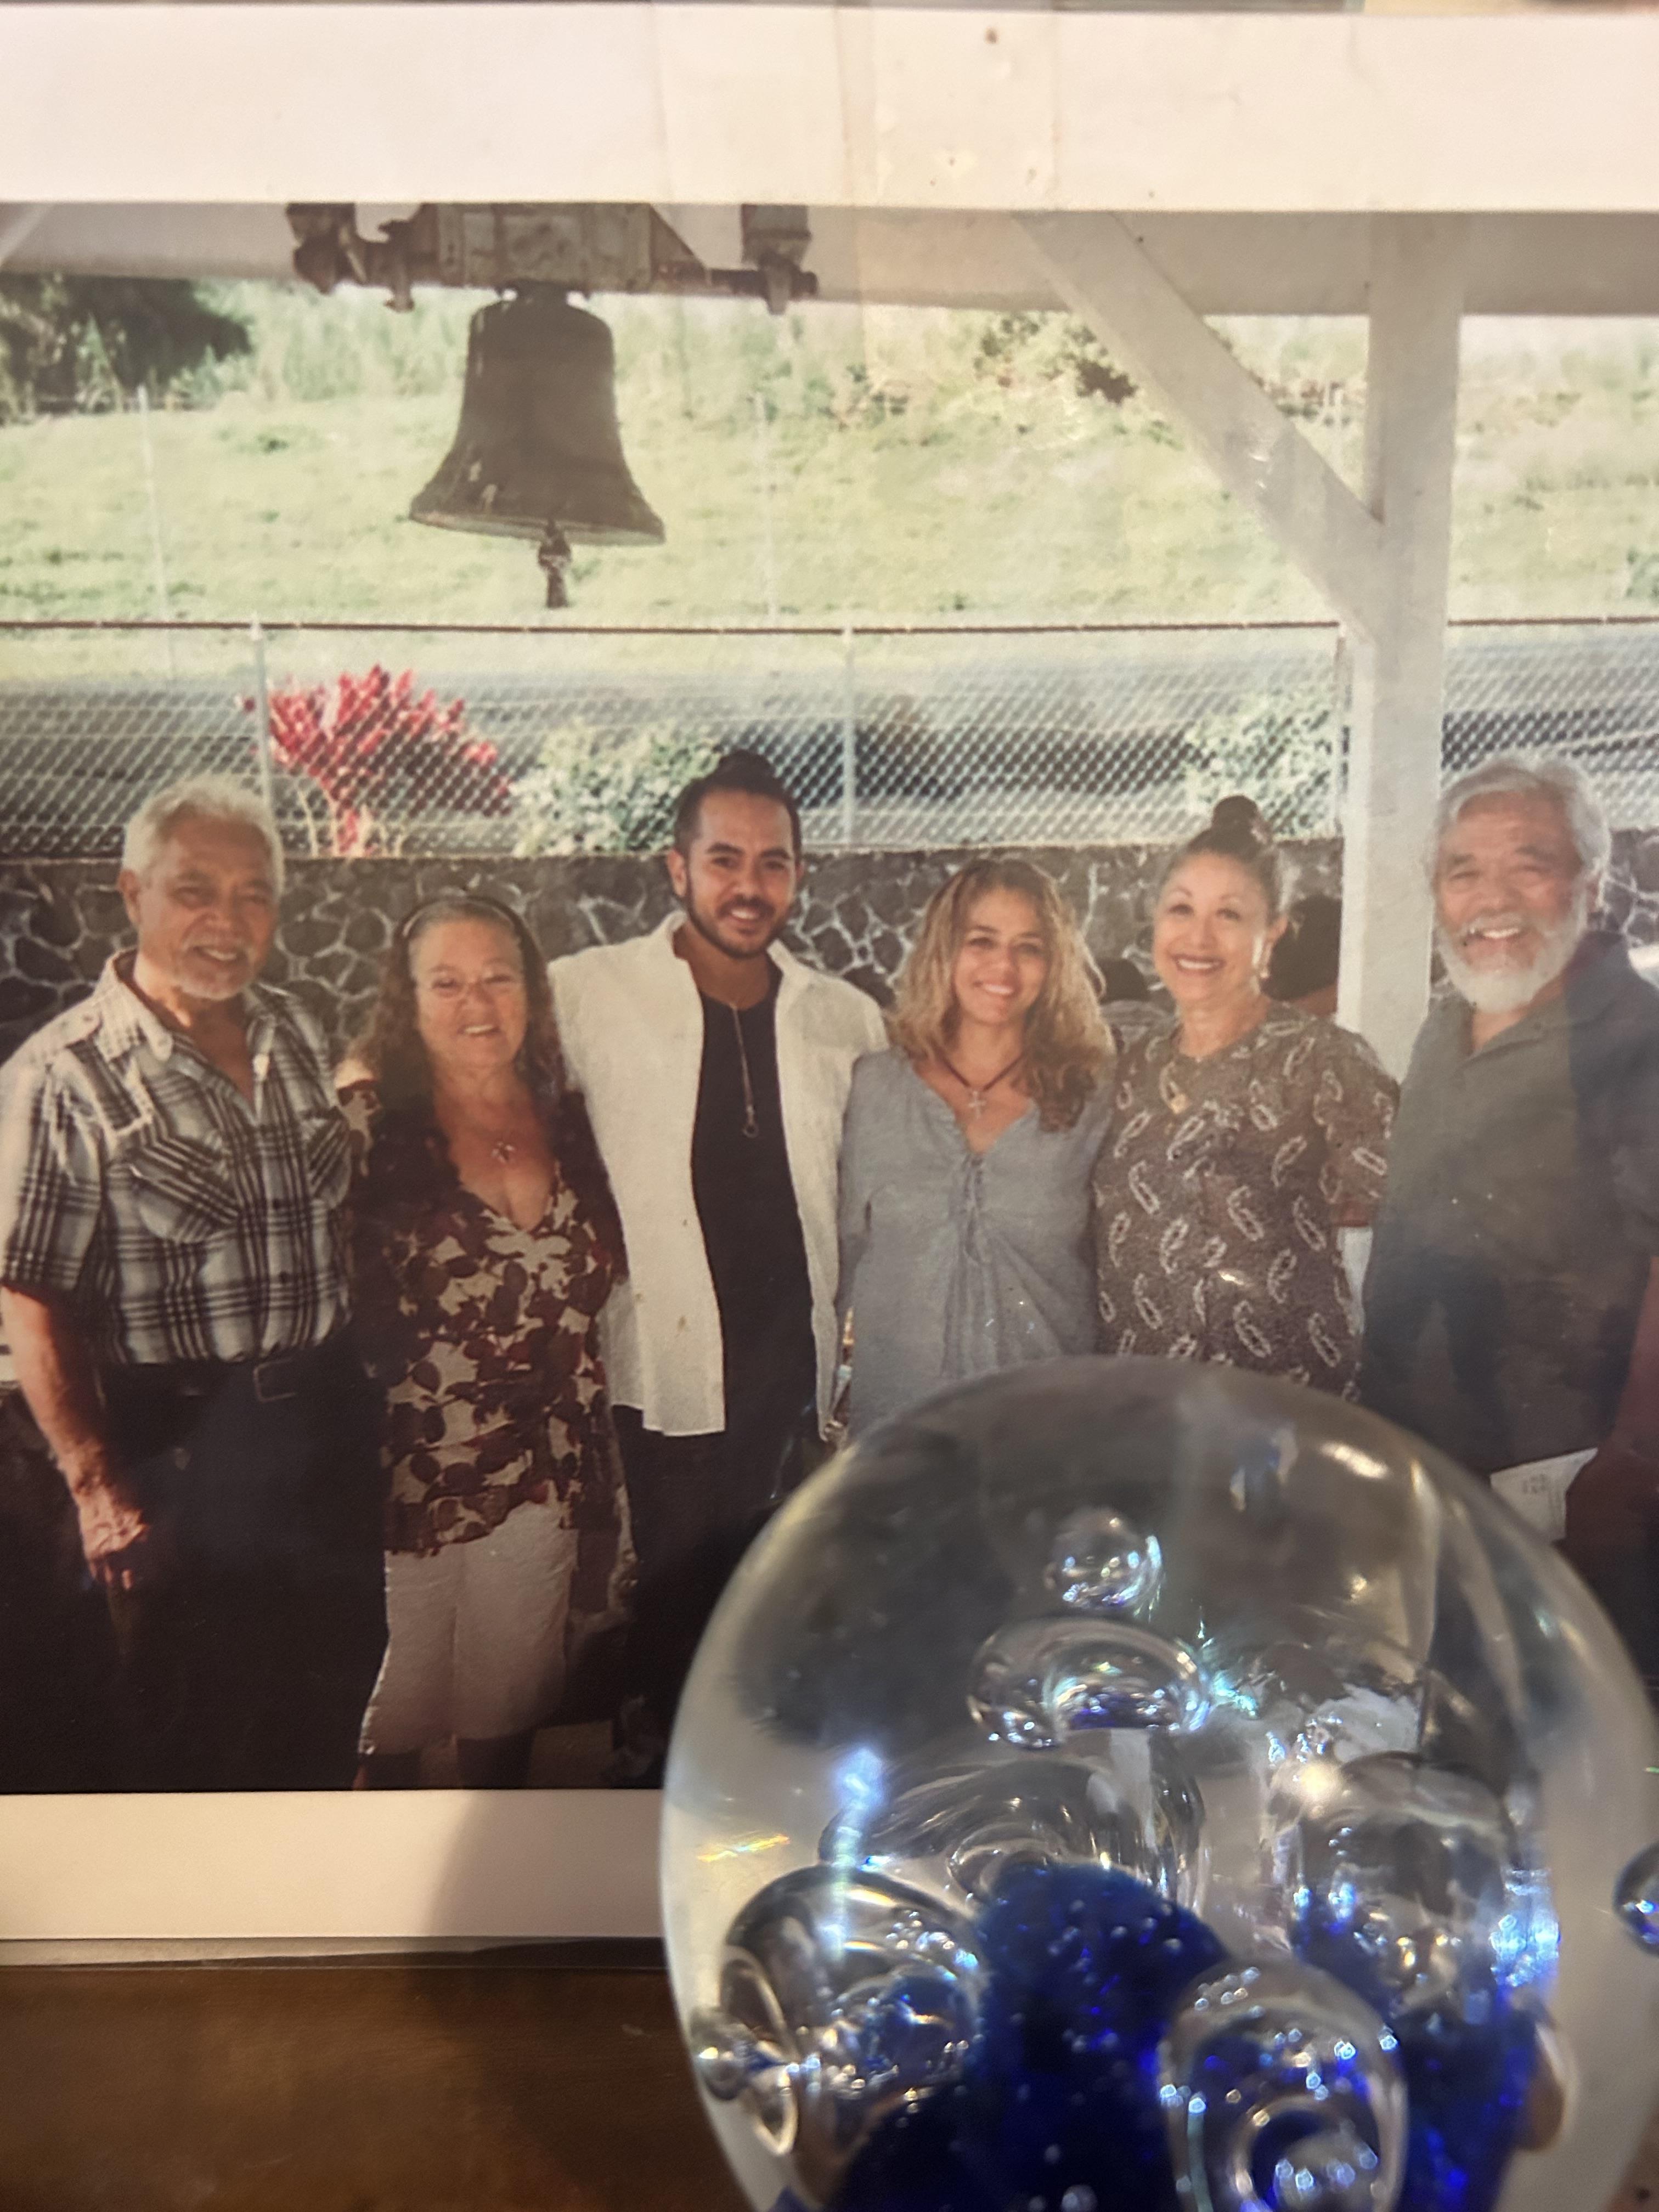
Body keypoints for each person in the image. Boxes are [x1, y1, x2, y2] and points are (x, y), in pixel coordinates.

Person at [0, 775, 385, 1790]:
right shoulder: (63, 1075)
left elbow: (336, 1161)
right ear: (133, 894)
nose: (227, 920)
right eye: (195, 890)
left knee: (332, 1710)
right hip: (177, 1455)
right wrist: (99, 1489)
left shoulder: (296, 1029)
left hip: (323, 1435)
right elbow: (30, 1295)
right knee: (187, 1739)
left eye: (253, 894)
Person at [549, 749, 887, 1774]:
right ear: (675, 868)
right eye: (725, 859)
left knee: (769, 1595)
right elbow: (449, 1045)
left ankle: (740, 1778)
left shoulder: (842, 1017)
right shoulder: (586, 993)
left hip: (792, 1366)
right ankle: (647, 1780)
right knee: (667, 1588)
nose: (749, 886)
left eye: (773, 863)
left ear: (798, 873)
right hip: (665, 1362)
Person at [1359, 755, 1659, 1683]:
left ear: (1588, 879)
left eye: (1526, 862)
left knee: (1578, 1758)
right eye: (1462, 871)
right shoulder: (1442, 1024)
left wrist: (1630, 1462)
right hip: (1435, 1477)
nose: (1491, 898)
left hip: (1578, 1502)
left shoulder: (1634, 1040)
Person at [339, 893, 626, 1789]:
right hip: (404, 1490)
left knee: (505, 1719)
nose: (477, 1003)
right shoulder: (364, 1128)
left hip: (541, 1478)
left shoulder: (575, 1119)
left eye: (498, 978)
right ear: (408, 999)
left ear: (530, 993)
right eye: (447, 982)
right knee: (382, 1731)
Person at [1093, 795, 1396, 1396]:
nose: (1198, 938)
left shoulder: (1324, 1058)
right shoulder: (1127, 1066)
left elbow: (1414, 1215)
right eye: (1181, 909)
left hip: (1287, 1416)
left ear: (1273, 932)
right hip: (1145, 1410)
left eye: (1229, 915)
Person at [837, 859, 1114, 1438]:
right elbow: (837, 1263)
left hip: (1050, 1433)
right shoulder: (873, 1089)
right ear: (945, 950)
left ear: (1055, 963)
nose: (1004, 968)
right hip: (900, 1437)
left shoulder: (1093, 1095)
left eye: (1029, 948)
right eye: (981, 941)